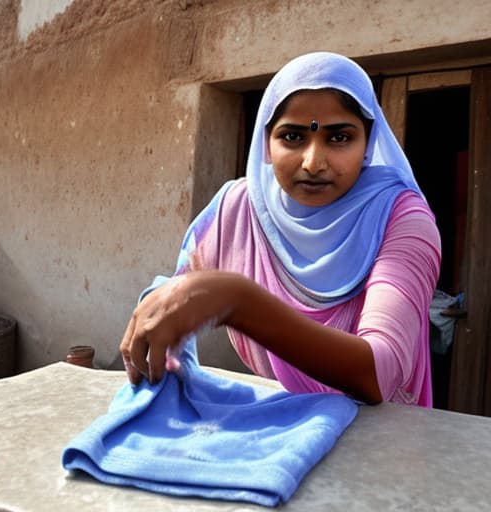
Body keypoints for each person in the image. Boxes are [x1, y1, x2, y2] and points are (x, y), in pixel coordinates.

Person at [120, 52, 441, 406]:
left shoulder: (403, 219)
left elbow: (378, 373)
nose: (314, 162)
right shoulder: (237, 210)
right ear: (267, 143)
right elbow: (181, 286)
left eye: (339, 138)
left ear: (367, 144)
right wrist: (159, 304)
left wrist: (237, 300)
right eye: (292, 137)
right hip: (285, 433)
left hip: (379, 445)